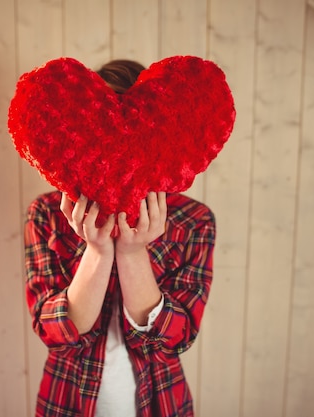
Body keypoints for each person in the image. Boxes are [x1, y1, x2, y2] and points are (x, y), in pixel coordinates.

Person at [24, 59, 216, 417]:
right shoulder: (48, 213)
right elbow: (56, 332)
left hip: (160, 401)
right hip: (67, 401)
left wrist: (131, 253)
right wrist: (97, 251)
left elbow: (175, 336)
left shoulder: (193, 221)